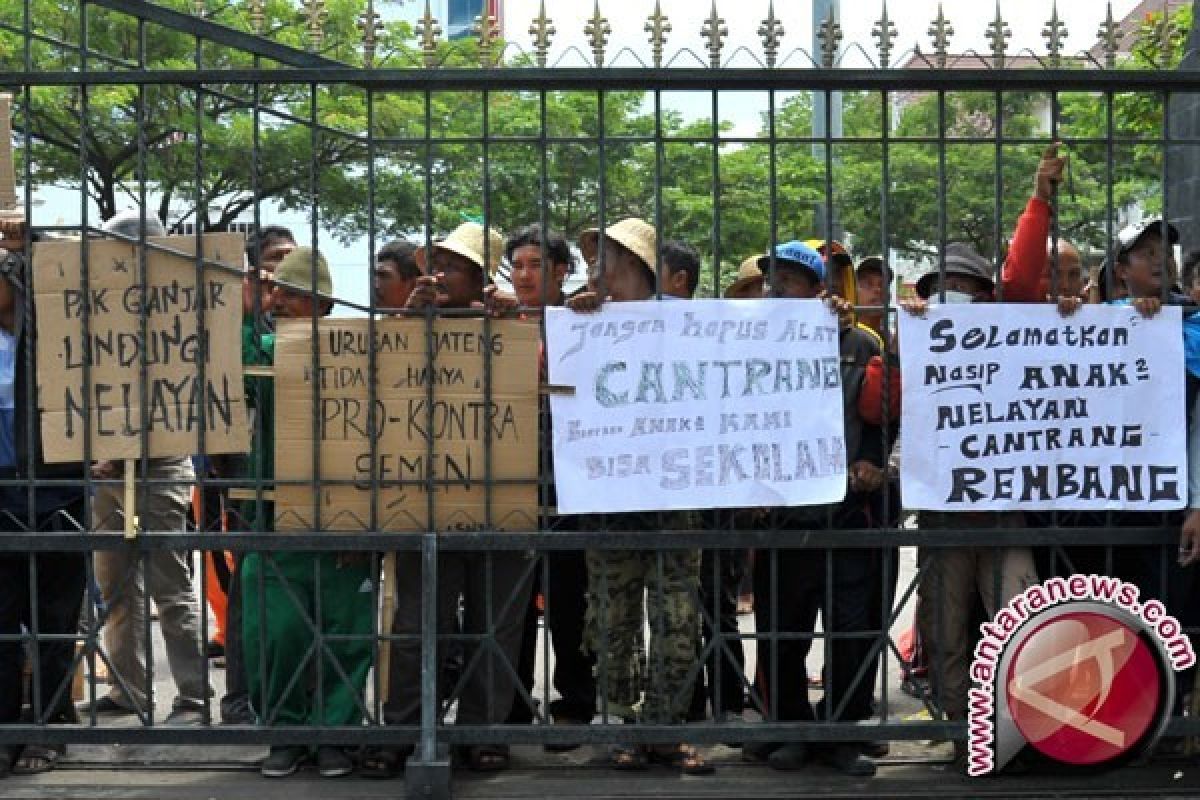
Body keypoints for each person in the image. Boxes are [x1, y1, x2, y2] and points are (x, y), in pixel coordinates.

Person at [368, 222, 534, 777]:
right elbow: (375, 383)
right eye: (432, 264)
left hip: (504, 493)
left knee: (497, 621)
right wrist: (407, 320)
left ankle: (483, 730)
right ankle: (408, 727)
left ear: (482, 279)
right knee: (418, 622)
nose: (437, 275)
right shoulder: (409, 324)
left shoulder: (514, 324)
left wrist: (513, 322)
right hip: (426, 494)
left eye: (453, 266)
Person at [567, 218, 713, 775]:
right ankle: (627, 727)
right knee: (611, 620)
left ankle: (664, 728)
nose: (594, 273)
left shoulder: (690, 323)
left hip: (675, 500)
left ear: (635, 264)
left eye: (604, 260)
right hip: (608, 497)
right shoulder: (585, 322)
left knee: (678, 619)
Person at [745, 241, 884, 777]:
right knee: (782, 629)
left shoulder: (861, 342)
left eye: (787, 282)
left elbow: (887, 412)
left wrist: (873, 464)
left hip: (844, 511)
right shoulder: (748, 344)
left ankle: (842, 732)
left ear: (816, 289)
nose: (773, 291)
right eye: (768, 282)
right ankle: (792, 729)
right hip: (783, 512)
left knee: (850, 630)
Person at [240, 247, 375, 779]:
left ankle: (336, 734)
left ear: (321, 304)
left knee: (348, 633)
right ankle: (285, 732)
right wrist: (247, 310)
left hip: (347, 516)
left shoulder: (357, 354)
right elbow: (241, 370)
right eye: (275, 293)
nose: (278, 302)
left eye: (290, 294)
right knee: (274, 631)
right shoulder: (271, 349)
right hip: (277, 516)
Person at [905, 243, 1039, 772]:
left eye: (964, 287)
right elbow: (882, 402)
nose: (953, 296)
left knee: (1021, 627)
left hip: (1006, 513)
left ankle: (1021, 733)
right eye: (944, 288)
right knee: (945, 635)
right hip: (945, 519)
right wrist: (905, 344)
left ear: (987, 296)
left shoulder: (1016, 339)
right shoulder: (914, 341)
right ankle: (965, 736)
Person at [87, 211, 210, 723]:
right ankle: (127, 690)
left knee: (171, 585)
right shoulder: (92, 305)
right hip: (103, 468)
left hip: (161, 464)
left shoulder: (181, 307)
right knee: (115, 587)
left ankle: (194, 697)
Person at [498, 225, 597, 743]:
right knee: (513, 599)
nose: (523, 275)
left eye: (535, 265)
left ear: (562, 271)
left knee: (570, 599)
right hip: (512, 482)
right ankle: (513, 701)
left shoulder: (583, 320)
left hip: (568, 484)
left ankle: (576, 702)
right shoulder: (497, 320)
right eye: (517, 265)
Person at [0, 217, 88, 776]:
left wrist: (22, 243)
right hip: (2, 492)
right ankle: (8, 726)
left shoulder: (55, 342)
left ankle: (50, 728)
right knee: (3, 623)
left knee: (55, 620)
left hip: (59, 491)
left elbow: (71, 276)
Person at [218, 224, 297, 726]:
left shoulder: (309, 321)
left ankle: (299, 700)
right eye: (273, 259)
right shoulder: (244, 326)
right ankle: (242, 697)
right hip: (253, 476)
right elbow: (240, 380)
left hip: (311, 475)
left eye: (291, 258)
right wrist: (248, 308)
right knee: (251, 588)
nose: (281, 270)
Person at [1000, 143, 1086, 302]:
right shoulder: (1016, 304)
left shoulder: (1099, 316)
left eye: (1074, 275)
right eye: (1052, 274)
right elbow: (1019, 281)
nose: (1065, 286)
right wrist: (1040, 198)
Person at [374, 239, 419, 310]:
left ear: (413, 285)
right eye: (374, 276)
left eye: (384, 276)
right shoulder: (368, 320)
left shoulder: (438, 319)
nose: (375, 286)